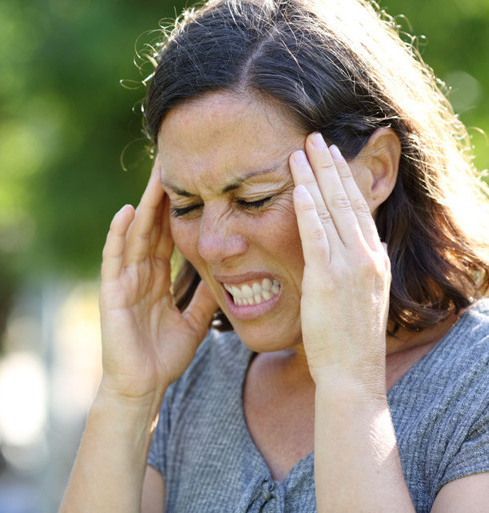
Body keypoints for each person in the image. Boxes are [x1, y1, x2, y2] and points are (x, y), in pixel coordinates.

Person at [60, 0, 489, 511]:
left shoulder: (474, 383)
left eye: (255, 199)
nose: (214, 246)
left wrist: (349, 386)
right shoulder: (194, 381)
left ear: (375, 171)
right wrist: (128, 398)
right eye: (187, 205)